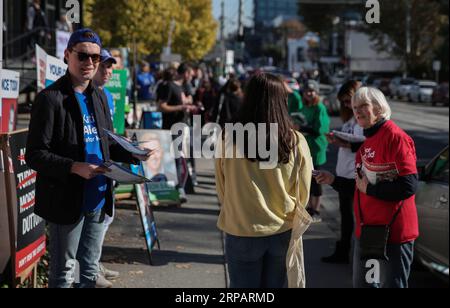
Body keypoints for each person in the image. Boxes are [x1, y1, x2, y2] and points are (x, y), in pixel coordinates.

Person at [26, 29, 152, 288]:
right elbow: (35, 154)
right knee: (63, 272)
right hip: (67, 200)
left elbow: (106, 143)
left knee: (89, 271)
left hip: (98, 195)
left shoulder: (99, 96)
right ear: (67, 55)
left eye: (95, 58)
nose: (90, 63)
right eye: (82, 56)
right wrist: (73, 167)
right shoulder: (50, 99)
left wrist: (135, 153)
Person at [215, 73, 313, 288]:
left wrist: (233, 208)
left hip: (241, 226)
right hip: (281, 228)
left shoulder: (228, 137)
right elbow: (304, 191)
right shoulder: (296, 141)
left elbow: (221, 185)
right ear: (281, 101)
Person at [347, 87, 418, 288]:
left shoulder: (396, 138)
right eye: (354, 107)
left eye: (363, 106)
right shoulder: (367, 141)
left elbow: (409, 185)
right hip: (368, 232)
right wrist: (333, 180)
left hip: (393, 234)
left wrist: (370, 190)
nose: (358, 111)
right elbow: (360, 185)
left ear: (378, 109)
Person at [315, 80, 364, 264]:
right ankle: (344, 251)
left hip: (355, 175)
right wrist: (337, 140)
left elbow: (365, 144)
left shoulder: (362, 119)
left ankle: (349, 252)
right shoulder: (350, 119)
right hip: (344, 173)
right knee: (345, 215)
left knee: (354, 216)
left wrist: (341, 142)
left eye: (348, 101)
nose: (346, 105)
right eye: (343, 102)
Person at [92, 49, 119, 288]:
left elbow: (109, 132)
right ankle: (90, 268)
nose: (108, 71)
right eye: (104, 66)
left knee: (108, 216)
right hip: (90, 168)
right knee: (97, 219)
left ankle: (95, 263)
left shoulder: (107, 95)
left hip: (108, 165)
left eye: (110, 67)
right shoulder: (86, 95)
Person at [299, 80, 330, 223]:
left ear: (316, 92)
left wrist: (301, 128)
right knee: (307, 180)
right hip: (306, 148)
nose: (309, 94)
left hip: (316, 149)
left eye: (312, 91)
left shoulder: (319, 107)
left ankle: (316, 210)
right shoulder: (305, 106)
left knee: (316, 180)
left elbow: (319, 129)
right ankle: (310, 208)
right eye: (306, 91)